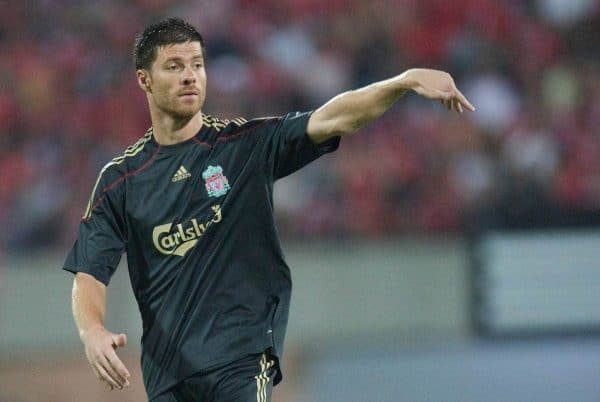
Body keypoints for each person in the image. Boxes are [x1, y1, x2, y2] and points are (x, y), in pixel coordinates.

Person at [64, 17, 474, 402]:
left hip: (243, 356)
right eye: (174, 66)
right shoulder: (121, 179)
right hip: (169, 373)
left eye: (197, 64)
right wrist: (92, 331)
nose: (190, 75)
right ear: (144, 80)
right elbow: (89, 273)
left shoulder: (246, 145)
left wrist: (401, 82)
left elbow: (333, 118)